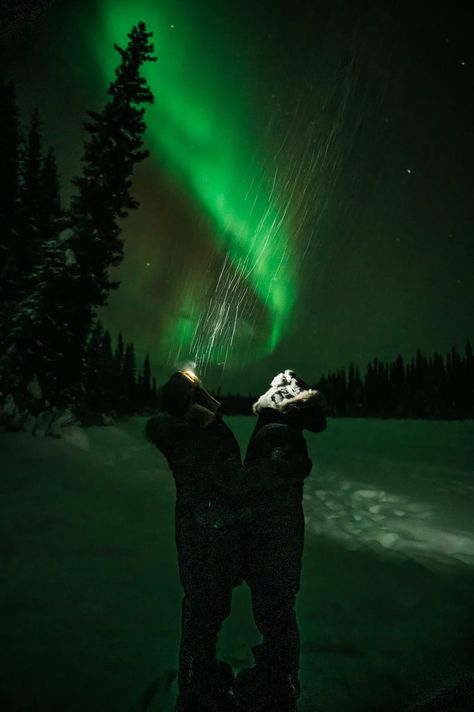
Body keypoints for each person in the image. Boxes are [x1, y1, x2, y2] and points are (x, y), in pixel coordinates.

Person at [146, 370, 247, 712]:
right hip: (207, 528)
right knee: (204, 607)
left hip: (200, 525)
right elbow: (229, 478)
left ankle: (202, 672)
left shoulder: (187, 431)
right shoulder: (199, 433)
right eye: (196, 389)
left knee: (206, 605)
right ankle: (194, 687)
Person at [236, 369, 327, 712]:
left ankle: (280, 682)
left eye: (272, 388)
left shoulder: (280, 433)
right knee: (273, 610)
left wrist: (242, 484)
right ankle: (274, 674)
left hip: (275, 538)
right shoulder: (279, 429)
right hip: (274, 535)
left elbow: (278, 477)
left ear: (281, 397)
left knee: (276, 611)